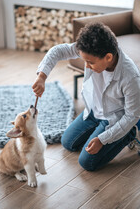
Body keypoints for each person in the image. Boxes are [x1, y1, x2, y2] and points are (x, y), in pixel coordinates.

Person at [32, 22, 140, 171]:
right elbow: (57, 51)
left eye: (90, 62)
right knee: (68, 143)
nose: (86, 66)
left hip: (114, 119)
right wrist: (42, 77)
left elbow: (131, 116)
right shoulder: (90, 51)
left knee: (87, 163)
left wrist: (103, 139)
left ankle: (129, 134)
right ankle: (99, 130)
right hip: (93, 110)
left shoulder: (130, 77)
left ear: (108, 57)